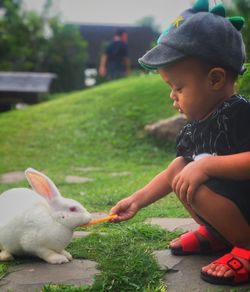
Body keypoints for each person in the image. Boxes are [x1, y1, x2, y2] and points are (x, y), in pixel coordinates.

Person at [109, 0, 250, 286]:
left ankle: (247, 247)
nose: (173, 96)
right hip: (232, 209)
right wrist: (137, 200)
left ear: (215, 79)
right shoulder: (196, 126)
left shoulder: (240, 114)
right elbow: (171, 175)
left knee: (193, 170)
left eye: (178, 87)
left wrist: (209, 165)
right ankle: (218, 233)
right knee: (179, 167)